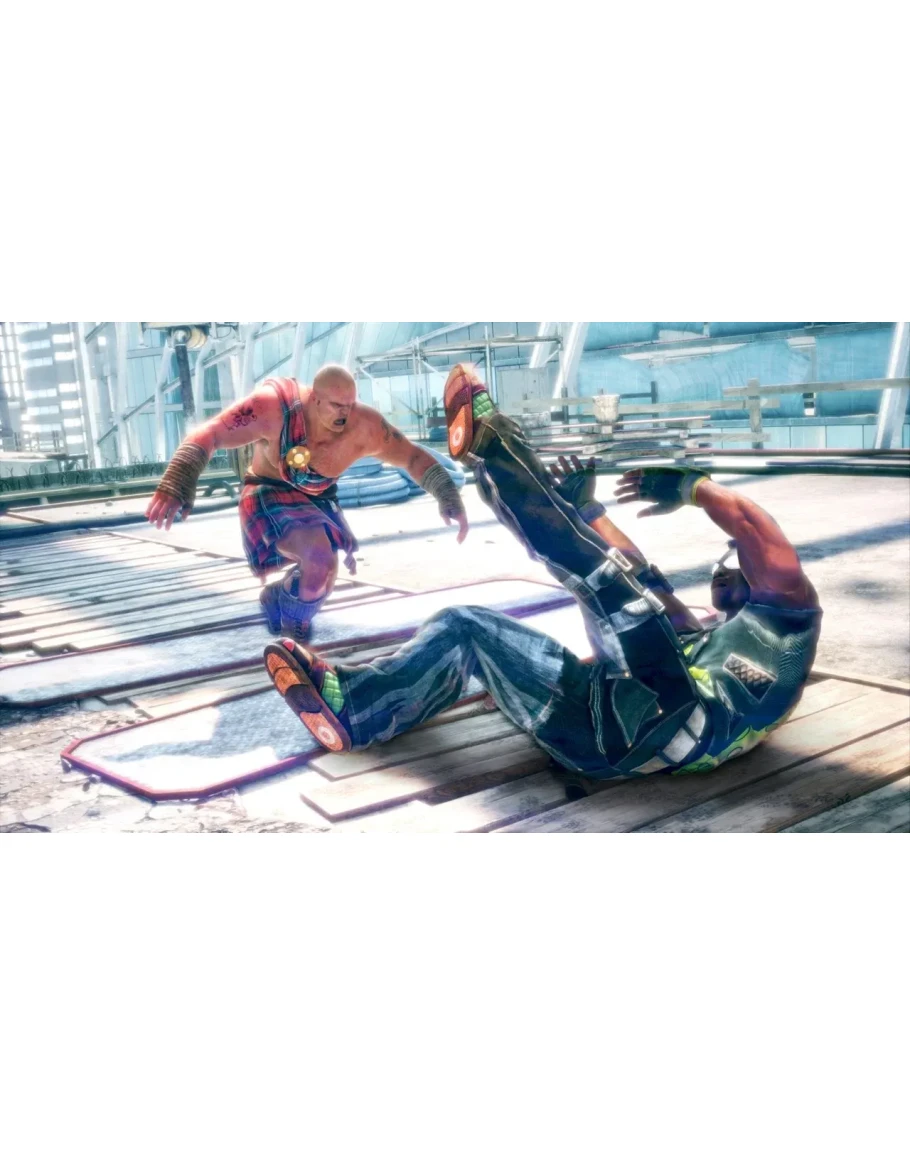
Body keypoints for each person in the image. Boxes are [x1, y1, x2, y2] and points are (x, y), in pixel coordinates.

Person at [262, 363, 822, 784]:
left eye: (731, 565)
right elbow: (641, 581)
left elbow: (752, 526)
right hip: (591, 737)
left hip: (671, 723)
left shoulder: (787, 618)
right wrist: (587, 510)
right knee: (465, 628)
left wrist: (690, 486)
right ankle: (356, 709)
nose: (721, 571)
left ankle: (492, 444)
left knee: (606, 583)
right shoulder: (705, 640)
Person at [145, 363, 469, 640]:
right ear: (314, 399)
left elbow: (411, 456)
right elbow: (212, 432)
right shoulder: (273, 408)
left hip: (320, 499)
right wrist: (178, 478)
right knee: (318, 561)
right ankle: (294, 638)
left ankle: (279, 597)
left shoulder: (366, 427)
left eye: (349, 405)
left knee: (322, 579)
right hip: (269, 491)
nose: (343, 414)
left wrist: (446, 492)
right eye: (335, 405)